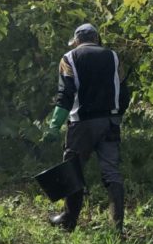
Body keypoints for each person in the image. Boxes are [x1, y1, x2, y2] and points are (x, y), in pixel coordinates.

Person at [44, 22, 130, 233]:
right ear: (96, 39)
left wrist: (55, 125)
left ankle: (68, 220)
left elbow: (66, 93)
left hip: (82, 123)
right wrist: (117, 115)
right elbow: (124, 91)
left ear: (77, 40)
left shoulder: (70, 58)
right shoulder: (113, 56)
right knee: (111, 172)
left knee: (72, 169)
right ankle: (117, 227)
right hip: (110, 122)